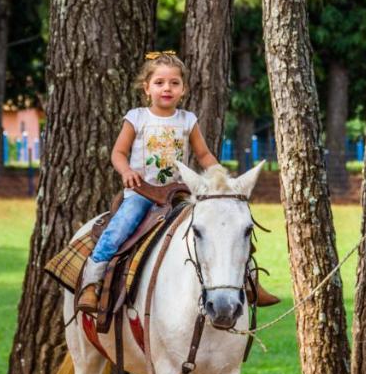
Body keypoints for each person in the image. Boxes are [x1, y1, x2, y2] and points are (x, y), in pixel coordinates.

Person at [77, 52, 279, 313]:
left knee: (225, 227)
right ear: (146, 87)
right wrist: (126, 171)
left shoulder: (187, 120)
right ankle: (92, 282)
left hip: (179, 193)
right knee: (120, 228)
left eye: (174, 83)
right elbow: (118, 152)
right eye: (159, 82)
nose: (167, 88)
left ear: (183, 88)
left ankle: (250, 281)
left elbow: (203, 154)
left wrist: (220, 177)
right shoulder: (136, 117)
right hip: (143, 192)